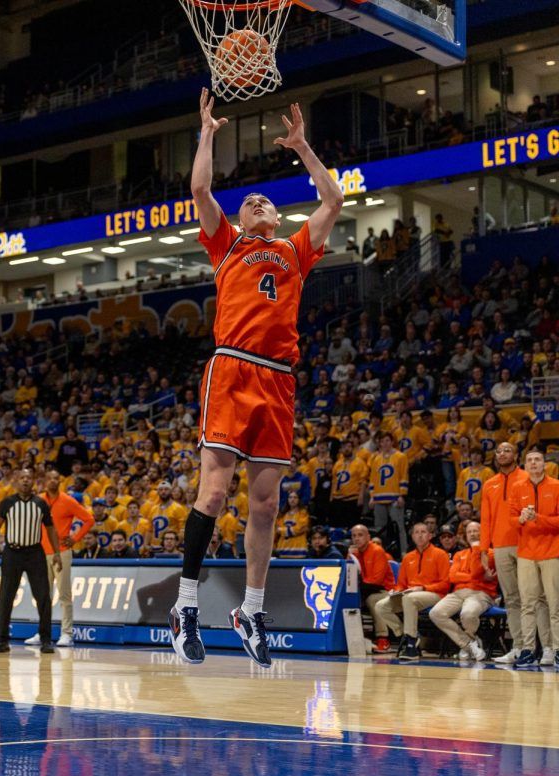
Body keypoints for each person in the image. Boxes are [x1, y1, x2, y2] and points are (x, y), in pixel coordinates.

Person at [172, 90, 342, 668]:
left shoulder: (295, 249)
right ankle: (187, 604)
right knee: (216, 493)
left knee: (265, 505)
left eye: (264, 200)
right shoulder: (227, 245)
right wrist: (207, 132)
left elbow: (334, 197)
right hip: (233, 367)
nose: (256, 202)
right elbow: (200, 189)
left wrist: (302, 149)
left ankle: (250, 610)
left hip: (278, 380)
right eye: (248, 202)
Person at [0, 469, 63, 653]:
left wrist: (57, 552)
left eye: (29, 478)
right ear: (16, 481)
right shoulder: (7, 503)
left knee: (43, 596)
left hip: (35, 553)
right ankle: (2, 640)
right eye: (22, 478)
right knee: (6, 597)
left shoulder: (41, 503)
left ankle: (46, 640)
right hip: (12, 553)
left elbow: (51, 529)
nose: (26, 481)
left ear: (34, 482)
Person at [480, 441, 536, 665]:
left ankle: (540, 647)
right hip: (501, 546)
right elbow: (485, 519)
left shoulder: (527, 478)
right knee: (512, 598)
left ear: (516, 455)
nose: (502, 454)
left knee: (533, 598)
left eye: (507, 450)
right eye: (499, 451)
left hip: (527, 544)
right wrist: (484, 549)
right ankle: (519, 647)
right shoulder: (489, 484)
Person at [29, 469, 92, 648]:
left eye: (56, 478)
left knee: (64, 594)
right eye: (49, 478)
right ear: (44, 480)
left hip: (62, 551)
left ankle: (67, 633)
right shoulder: (38, 500)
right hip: (41, 552)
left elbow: (89, 519)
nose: (53, 481)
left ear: (60, 481)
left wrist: (75, 538)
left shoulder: (67, 500)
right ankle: (43, 632)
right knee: (43, 595)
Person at [508, 447, 559, 668]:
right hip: (526, 554)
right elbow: (509, 519)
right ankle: (528, 649)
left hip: (551, 552)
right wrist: (519, 519)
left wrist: (537, 518)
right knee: (528, 604)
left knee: (555, 604)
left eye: (538, 459)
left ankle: (557, 650)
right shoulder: (517, 488)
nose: (534, 463)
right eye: (530, 460)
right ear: (525, 465)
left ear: (545, 464)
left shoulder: (557, 486)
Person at [373, 522, 450, 662]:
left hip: (435, 594)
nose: (420, 535)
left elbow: (446, 584)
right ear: (412, 536)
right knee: (381, 606)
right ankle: (406, 635)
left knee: (409, 598)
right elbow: (401, 584)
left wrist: (424, 588)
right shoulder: (408, 557)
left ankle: (411, 643)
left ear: (430, 535)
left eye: (423, 532)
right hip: (409, 595)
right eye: (416, 532)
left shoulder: (440, 554)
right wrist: (395, 591)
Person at [429, 521, 497, 662]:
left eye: (475, 531)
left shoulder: (490, 554)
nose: (472, 534)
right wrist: (473, 577)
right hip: (458, 592)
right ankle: (469, 643)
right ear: (465, 536)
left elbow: (476, 570)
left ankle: (468, 645)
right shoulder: (459, 554)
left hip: (481, 593)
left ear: (483, 533)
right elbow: (453, 576)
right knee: (436, 613)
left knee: (467, 614)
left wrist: (477, 547)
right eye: (469, 532)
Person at [350, 524, 396, 653]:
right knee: (348, 598)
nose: (356, 539)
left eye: (360, 535)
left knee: (373, 600)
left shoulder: (377, 551)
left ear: (368, 537)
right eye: (354, 536)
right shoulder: (355, 553)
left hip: (385, 591)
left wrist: (358, 586)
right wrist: (349, 557)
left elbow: (377, 581)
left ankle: (383, 638)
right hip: (365, 589)